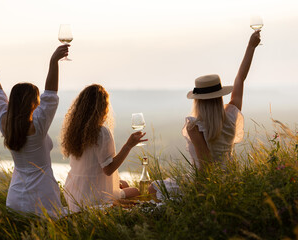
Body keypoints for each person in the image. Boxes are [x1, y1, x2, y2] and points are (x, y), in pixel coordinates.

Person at [149, 30, 261, 200]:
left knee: (153, 188)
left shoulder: (194, 125)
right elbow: (240, 79)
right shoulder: (231, 116)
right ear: (219, 96)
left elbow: (206, 168)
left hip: (206, 183)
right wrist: (251, 47)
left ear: (198, 100)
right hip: (230, 178)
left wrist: (197, 193)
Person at [0, 44, 70, 217]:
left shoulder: (6, 124)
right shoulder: (38, 126)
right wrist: (54, 61)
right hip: (43, 198)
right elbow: (51, 93)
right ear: (33, 102)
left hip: (15, 199)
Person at [61, 84, 147, 212]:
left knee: (123, 184)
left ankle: (118, 205)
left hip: (74, 194)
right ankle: (116, 209)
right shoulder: (101, 132)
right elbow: (108, 169)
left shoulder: (75, 130)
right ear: (102, 107)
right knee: (135, 191)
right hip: (93, 197)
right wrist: (128, 146)